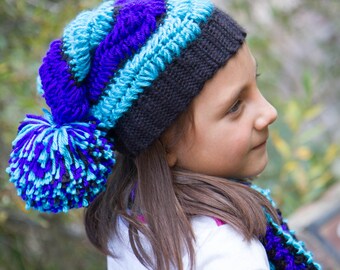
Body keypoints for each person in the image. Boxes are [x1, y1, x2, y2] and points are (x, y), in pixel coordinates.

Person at [7, 0, 322, 269]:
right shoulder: (228, 250)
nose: (269, 112)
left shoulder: (126, 224)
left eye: (257, 83)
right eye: (235, 106)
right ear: (163, 142)